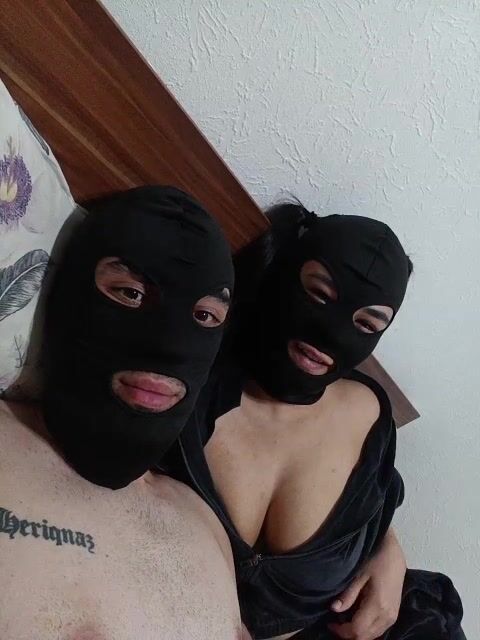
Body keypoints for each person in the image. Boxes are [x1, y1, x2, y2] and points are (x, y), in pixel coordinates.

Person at [172, 203, 466, 640]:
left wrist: (387, 549)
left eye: (368, 323)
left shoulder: (369, 411)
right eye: (320, 295)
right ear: (284, 274)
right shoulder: (188, 381)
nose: (333, 334)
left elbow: (374, 498)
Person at [0, 186, 247, 639]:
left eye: (205, 316)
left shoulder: (205, 524)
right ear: (69, 296)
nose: (171, 345)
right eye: (130, 293)